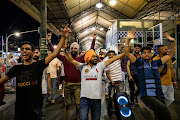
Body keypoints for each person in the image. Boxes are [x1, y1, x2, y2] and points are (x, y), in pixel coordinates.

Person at [0, 24, 70, 120]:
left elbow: (54, 53)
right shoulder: (16, 69)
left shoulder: (39, 65)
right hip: (20, 109)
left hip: (35, 108)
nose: (24, 51)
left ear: (33, 52)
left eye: (27, 49)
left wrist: (63, 37)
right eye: (23, 49)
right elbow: (1, 80)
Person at [124, 28, 175, 120]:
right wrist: (128, 39)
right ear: (142, 55)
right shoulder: (139, 63)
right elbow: (127, 53)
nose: (147, 54)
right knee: (165, 111)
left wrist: (173, 42)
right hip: (147, 95)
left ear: (151, 54)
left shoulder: (156, 63)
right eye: (144, 53)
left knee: (159, 114)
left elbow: (170, 55)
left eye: (148, 52)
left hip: (159, 94)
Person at [64, 48, 125, 120]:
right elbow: (71, 60)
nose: (96, 57)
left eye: (96, 56)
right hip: (84, 99)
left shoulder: (100, 66)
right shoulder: (82, 67)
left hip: (96, 99)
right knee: (82, 118)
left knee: (96, 118)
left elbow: (112, 59)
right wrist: (65, 51)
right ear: (88, 58)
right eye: (93, 56)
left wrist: (124, 53)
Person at [46, 33, 96, 120]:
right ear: (70, 49)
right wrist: (49, 42)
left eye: (75, 48)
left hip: (79, 85)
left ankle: (77, 117)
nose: (73, 49)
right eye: (72, 48)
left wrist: (94, 40)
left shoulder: (81, 58)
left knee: (78, 105)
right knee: (67, 105)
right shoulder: (64, 58)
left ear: (78, 49)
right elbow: (55, 52)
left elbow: (90, 51)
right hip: (68, 85)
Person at [33, 48, 52, 120]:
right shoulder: (29, 64)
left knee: (42, 110)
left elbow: (48, 77)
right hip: (32, 91)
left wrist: (49, 89)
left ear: (39, 54)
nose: (35, 54)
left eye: (37, 52)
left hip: (42, 90)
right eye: (34, 53)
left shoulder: (44, 64)